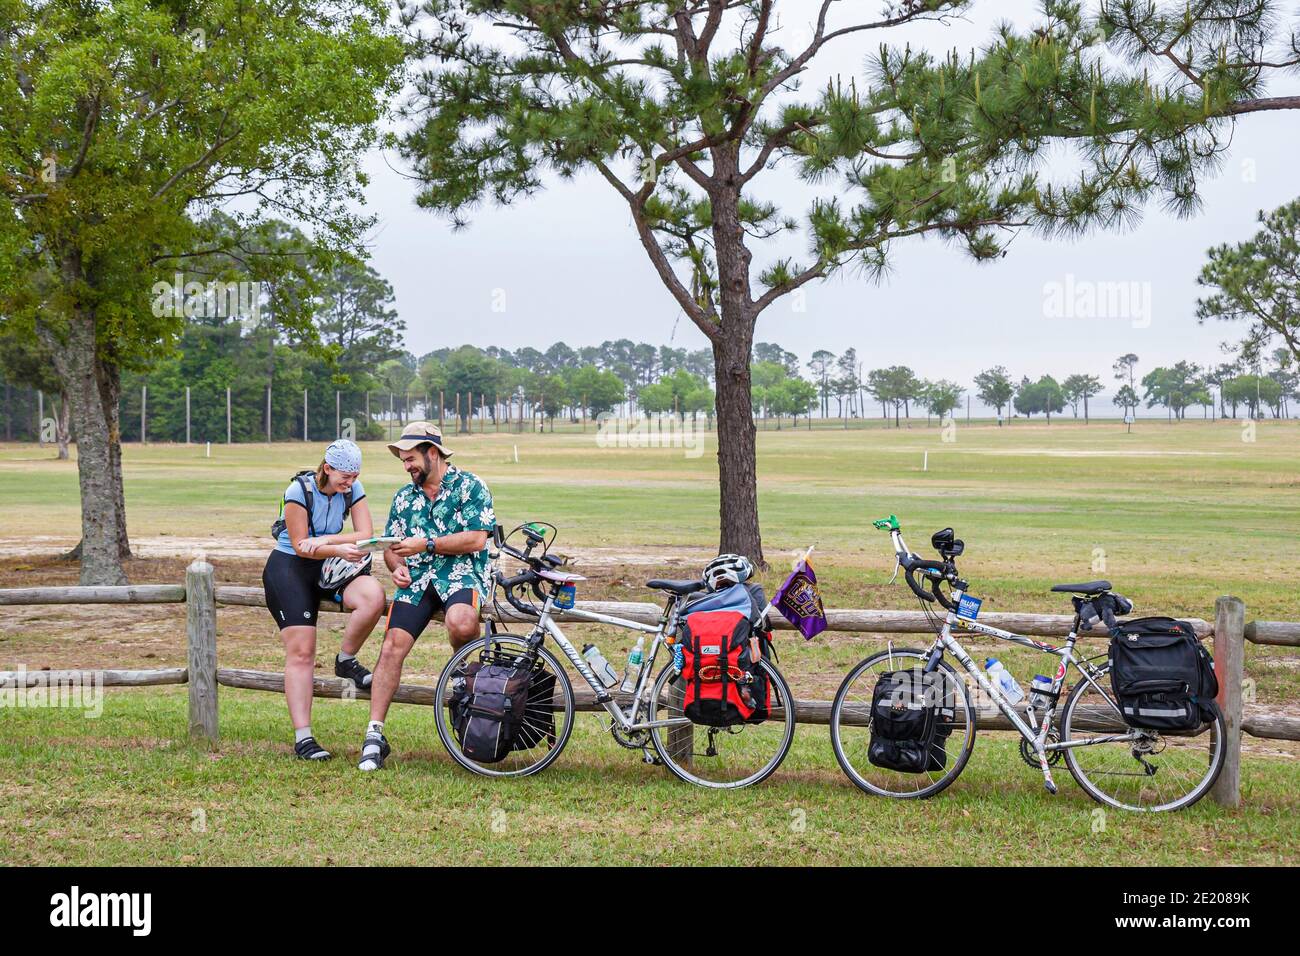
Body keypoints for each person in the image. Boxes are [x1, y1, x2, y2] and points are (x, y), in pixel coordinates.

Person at [357, 422, 495, 771]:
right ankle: (374, 735)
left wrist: (428, 544)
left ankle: (469, 695)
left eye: (412, 459)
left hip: (462, 574)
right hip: (416, 581)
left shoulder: (470, 486)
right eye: (403, 461)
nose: (407, 466)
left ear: (433, 453)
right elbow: (392, 546)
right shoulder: (404, 496)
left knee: (461, 622)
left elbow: (477, 539)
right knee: (391, 646)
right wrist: (395, 565)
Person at [261, 439, 387, 761]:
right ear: (327, 468)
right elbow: (302, 546)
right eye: (345, 476)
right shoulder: (298, 492)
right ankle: (304, 738)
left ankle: (345, 660)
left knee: (373, 596)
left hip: (328, 561)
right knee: (303, 652)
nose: (350, 482)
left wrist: (328, 542)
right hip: (290, 567)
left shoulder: (352, 489)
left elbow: (366, 533)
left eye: (355, 476)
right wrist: (336, 547)